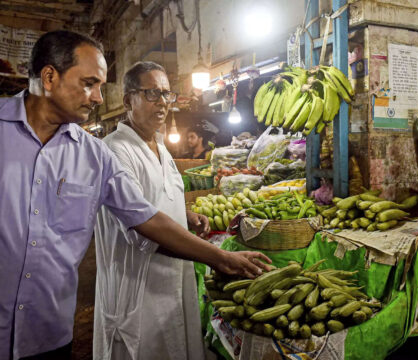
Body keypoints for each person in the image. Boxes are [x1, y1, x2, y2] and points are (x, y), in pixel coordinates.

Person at [0, 30, 271, 360]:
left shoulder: (92, 155)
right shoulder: (110, 150)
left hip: (48, 335)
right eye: (89, 83)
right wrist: (219, 257)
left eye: (101, 85)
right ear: (49, 77)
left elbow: (146, 217)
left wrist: (222, 257)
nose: (99, 98)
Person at [93, 61, 209, 360]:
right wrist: (219, 258)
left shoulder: (160, 145)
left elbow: (159, 198)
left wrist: (186, 216)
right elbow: (143, 228)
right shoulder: (114, 150)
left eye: (167, 95)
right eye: (151, 94)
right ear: (127, 100)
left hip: (174, 279)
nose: (162, 103)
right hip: (138, 289)